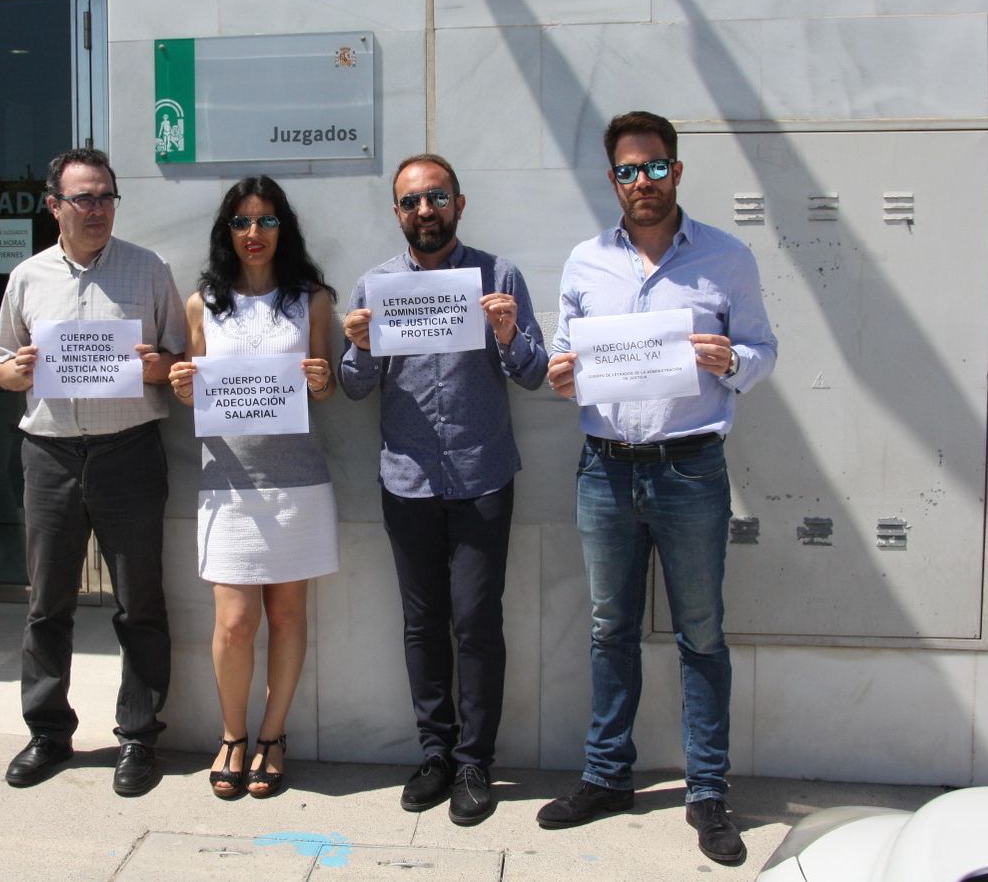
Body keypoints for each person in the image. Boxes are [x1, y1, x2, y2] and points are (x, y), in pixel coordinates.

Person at [538, 111, 778, 865]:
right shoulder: (584, 262)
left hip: (689, 468)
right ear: (612, 180)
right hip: (605, 467)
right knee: (610, 629)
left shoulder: (727, 257)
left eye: (655, 166)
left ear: (677, 169)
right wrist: (558, 372)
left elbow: (763, 349)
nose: (643, 181)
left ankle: (707, 792)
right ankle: (608, 775)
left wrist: (729, 358)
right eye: (628, 170)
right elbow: (562, 352)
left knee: (701, 633)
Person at [339, 153, 548, 826]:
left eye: (436, 198)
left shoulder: (499, 275)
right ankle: (434, 753)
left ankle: (475, 761)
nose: (424, 211)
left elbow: (536, 374)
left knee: (478, 621)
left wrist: (509, 333)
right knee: (422, 623)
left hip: (482, 475)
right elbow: (353, 386)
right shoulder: (375, 286)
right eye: (411, 202)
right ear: (396, 212)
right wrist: (359, 347)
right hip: (408, 480)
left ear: (459, 202)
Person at [0, 148, 186, 795]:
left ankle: (138, 737)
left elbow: (177, 363)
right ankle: (48, 733)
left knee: (140, 602)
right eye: (84, 198)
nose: (98, 209)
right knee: (48, 603)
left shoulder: (148, 269)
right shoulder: (27, 278)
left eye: (106, 196)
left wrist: (154, 364)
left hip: (127, 450)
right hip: (48, 453)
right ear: (54, 206)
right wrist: (13, 371)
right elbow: (0, 364)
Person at [166, 176, 339, 800]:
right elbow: (196, 388)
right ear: (227, 232)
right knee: (235, 623)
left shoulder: (311, 299)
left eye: (266, 221)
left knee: (287, 614)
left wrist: (321, 380)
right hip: (228, 486)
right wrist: (184, 387)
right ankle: (232, 735)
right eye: (242, 222)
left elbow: (326, 389)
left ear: (282, 228)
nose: (254, 233)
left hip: (297, 482)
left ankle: (272, 737)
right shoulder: (202, 304)